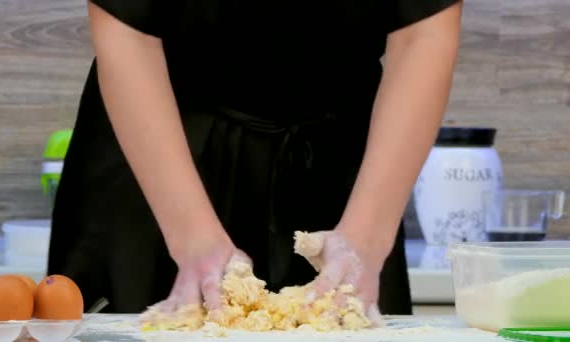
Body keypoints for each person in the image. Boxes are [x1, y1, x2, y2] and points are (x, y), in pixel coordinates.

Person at [47, 0, 463, 316]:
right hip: (159, 156)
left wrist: (366, 239)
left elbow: (423, 31)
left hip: (344, 171)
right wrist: (192, 240)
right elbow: (126, 30)